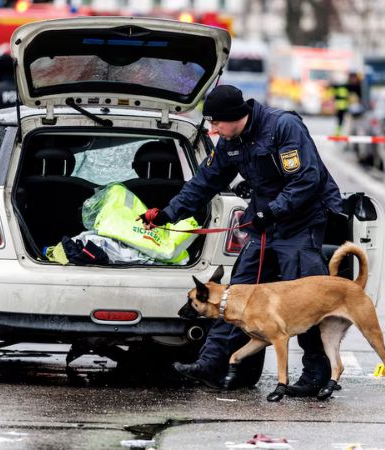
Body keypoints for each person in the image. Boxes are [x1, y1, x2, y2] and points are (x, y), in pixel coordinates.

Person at [140, 85, 343, 395]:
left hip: (300, 225)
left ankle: (315, 374)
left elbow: (307, 179)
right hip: (265, 227)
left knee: (303, 302)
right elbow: (205, 181)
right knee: (231, 296)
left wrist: (272, 211)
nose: (213, 130)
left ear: (236, 117)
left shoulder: (282, 127)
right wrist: (169, 214)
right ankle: (210, 363)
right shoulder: (230, 141)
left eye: (216, 123)